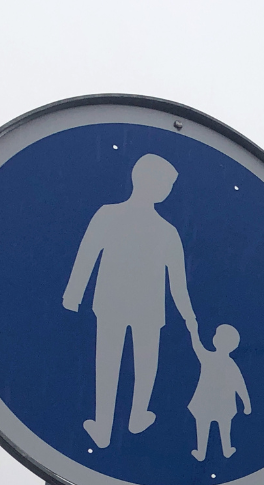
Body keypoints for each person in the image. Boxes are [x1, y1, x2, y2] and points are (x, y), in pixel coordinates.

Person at [62, 154, 197, 449]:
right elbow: (87, 255)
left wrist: (73, 297)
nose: (168, 190)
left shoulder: (119, 217)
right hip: (140, 308)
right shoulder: (163, 230)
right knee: (141, 364)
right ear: (146, 180)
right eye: (165, 183)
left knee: (116, 364)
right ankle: (131, 418)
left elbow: (177, 282)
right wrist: (188, 316)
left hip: (115, 304)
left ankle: (109, 424)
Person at [188, 324, 251, 460]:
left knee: (204, 426)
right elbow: (240, 386)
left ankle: (201, 452)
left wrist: (193, 331)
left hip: (207, 401)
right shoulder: (230, 363)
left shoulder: (209, 358)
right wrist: (246, 404)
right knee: (223, 426)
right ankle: (226, 449)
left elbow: (197, 346)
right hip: (223, 403)